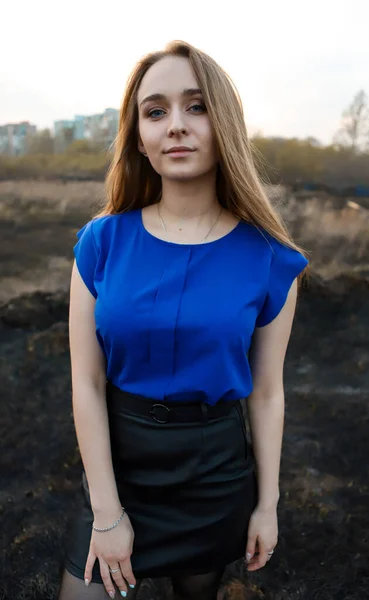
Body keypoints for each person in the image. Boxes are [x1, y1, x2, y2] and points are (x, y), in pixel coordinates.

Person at [57, 40, 309, 600]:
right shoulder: (101, 243)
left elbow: (267, 393)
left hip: (213, 477)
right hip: (119, 468)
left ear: (225, 126)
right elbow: (86, 381)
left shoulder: (271, 259)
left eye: (196, 106)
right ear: (139, 138)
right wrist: (106, 513)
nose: (176, 125)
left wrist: (266, 505)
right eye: (156, 111)